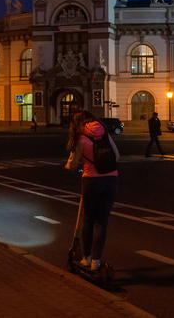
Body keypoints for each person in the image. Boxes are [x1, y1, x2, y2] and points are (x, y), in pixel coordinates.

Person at [65, 110, 119, 271]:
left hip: (91, 180)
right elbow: (116, 156)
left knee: (88, 219)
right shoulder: (104, 133)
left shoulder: (80, 138)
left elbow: (73, 164)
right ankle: (96, 261)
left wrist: (72, 164)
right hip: (111, 179)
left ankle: (86, 258)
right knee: (102, 221)